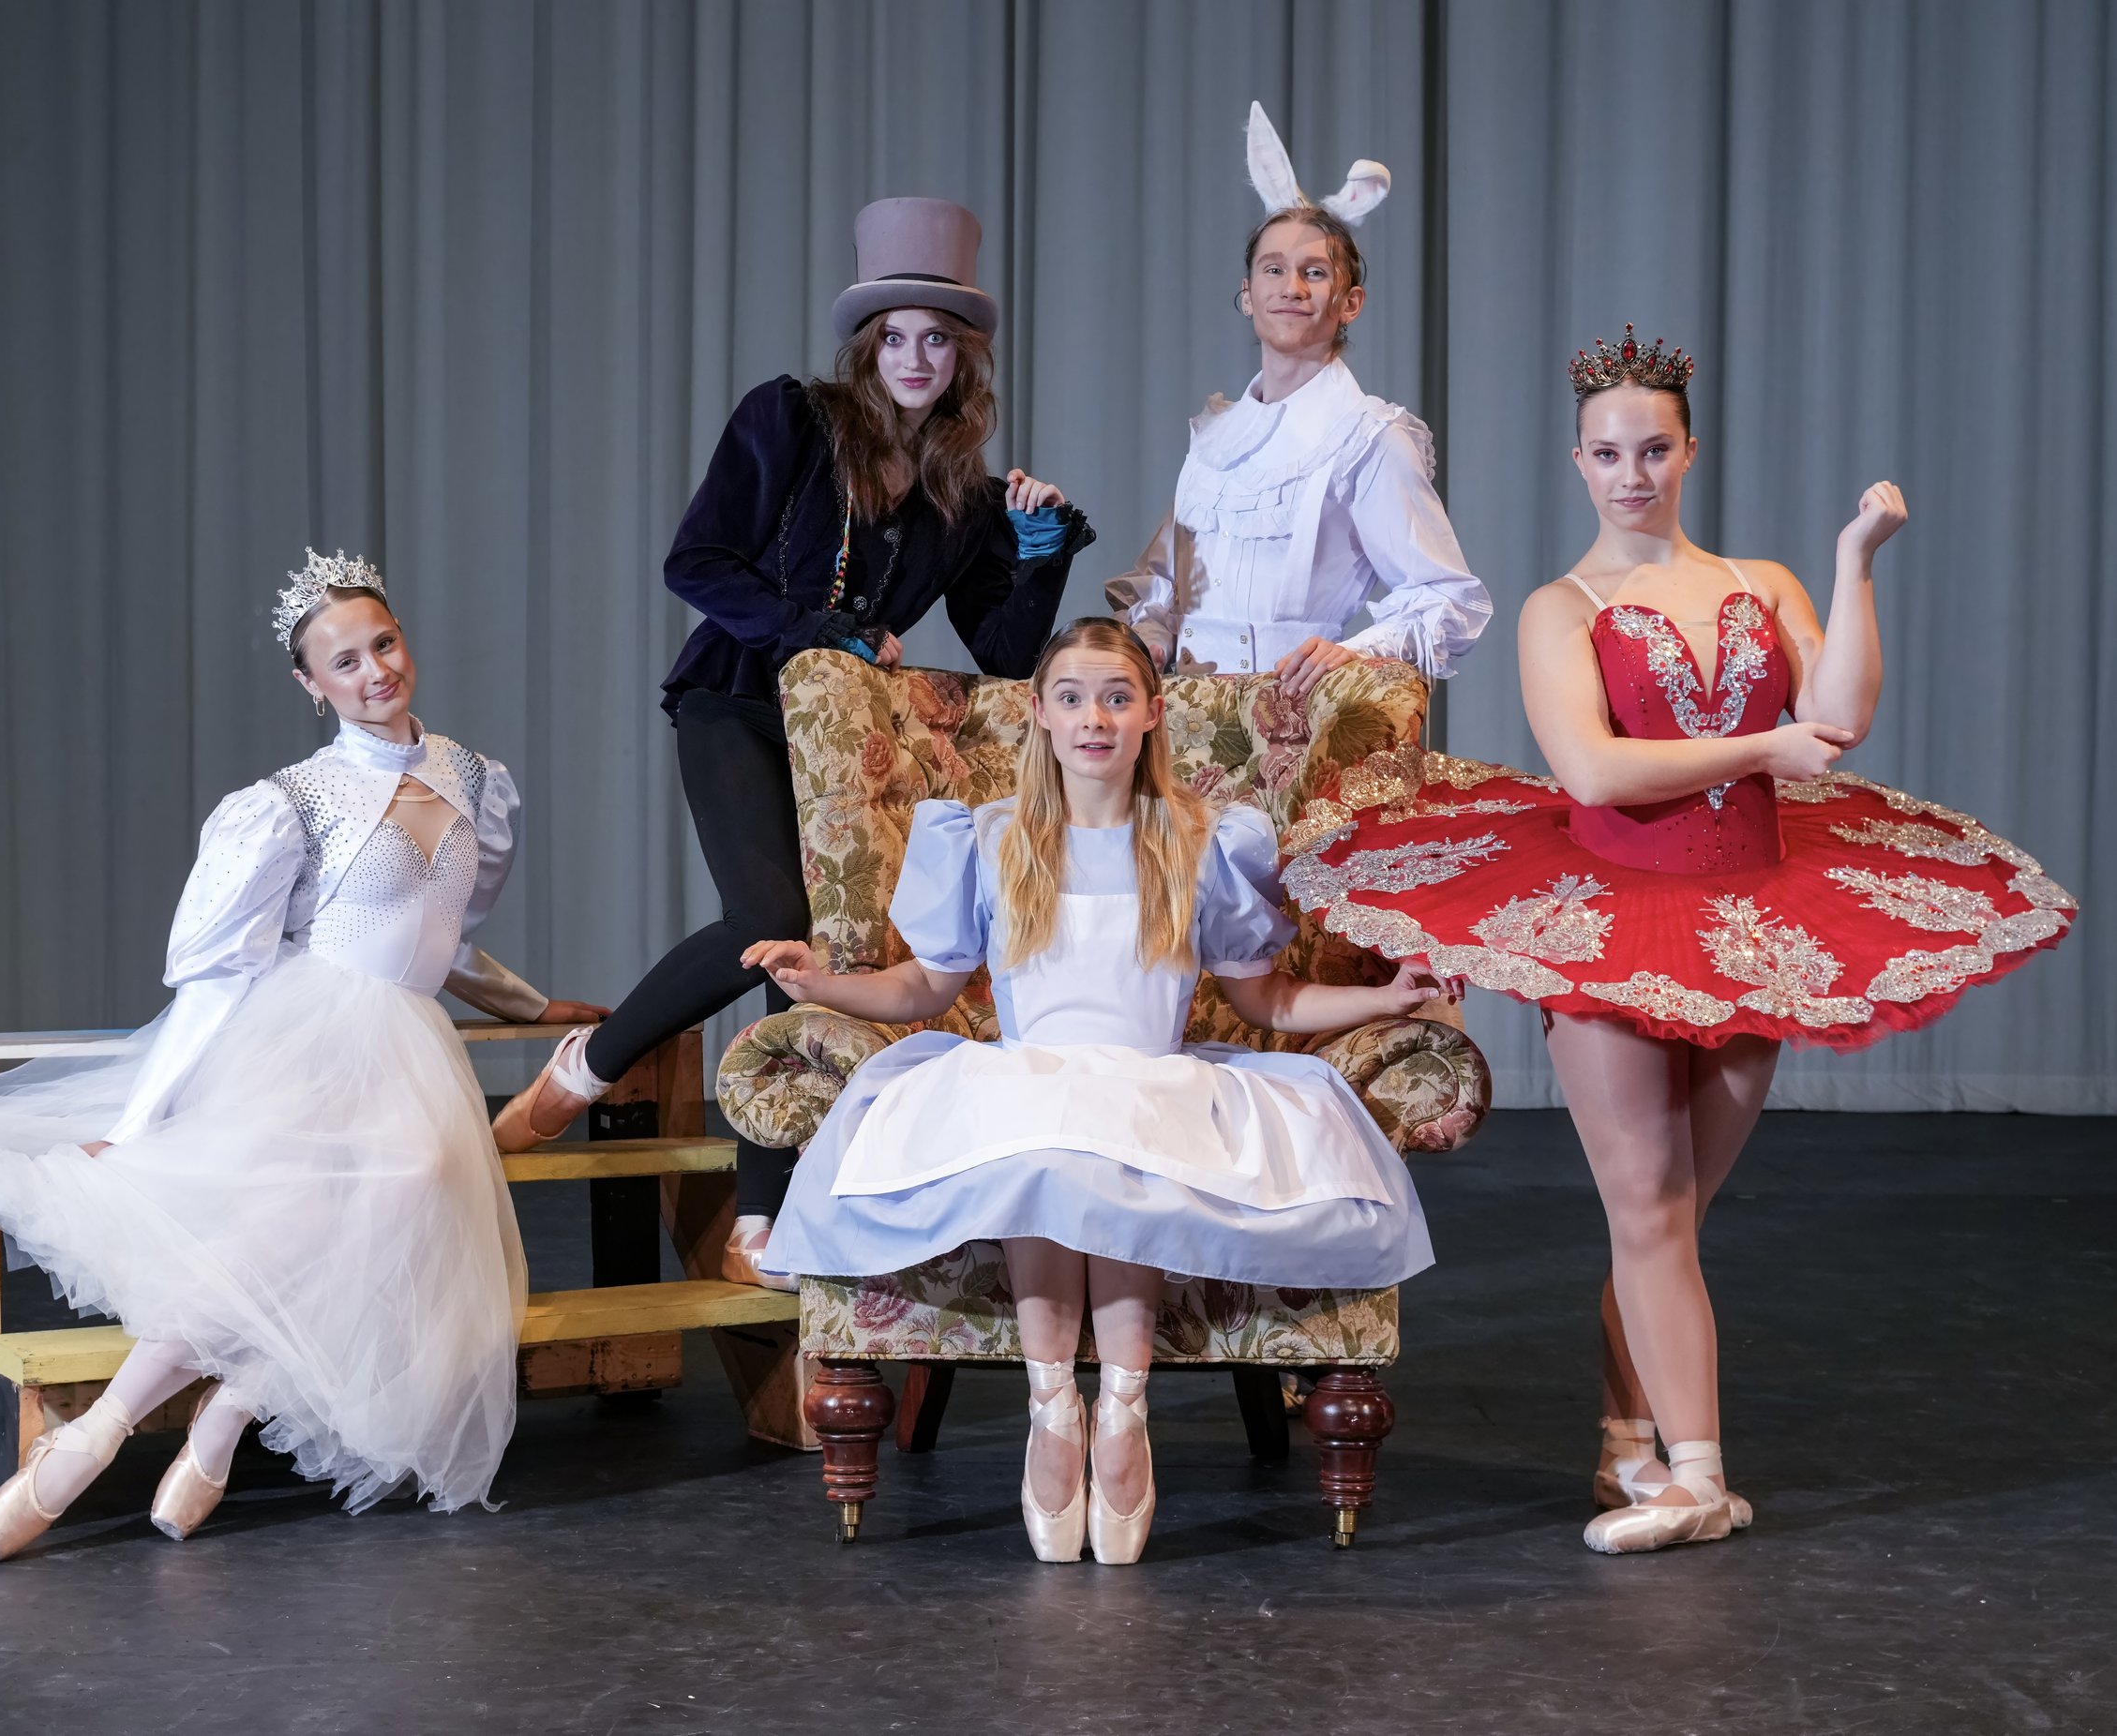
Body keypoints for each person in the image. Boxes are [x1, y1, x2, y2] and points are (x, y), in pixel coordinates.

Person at [1284, 328, 2076, 1554]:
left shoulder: (1764, 582)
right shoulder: (1563, 606)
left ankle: (1625, 1446)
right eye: (1609, 453)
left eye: (1653, 448)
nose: (1633, 473)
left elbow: (1840, 715)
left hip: (1758, 920)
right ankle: (1700, 1481)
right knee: (1648, 1208)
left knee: (1670, 1219)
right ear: (1579, 463)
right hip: (1609, 916)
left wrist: (1853, 562)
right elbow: (1595, 769)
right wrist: (1761, 750)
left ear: (1689, 450)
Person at [0, 550, 606, 1559]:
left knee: (398, 1200)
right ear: (311, 685)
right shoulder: (295, 800)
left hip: (407, 1050)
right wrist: (133, 1126)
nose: (374, 673)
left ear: (406, 637)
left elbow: (443, 934)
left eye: (383, 643)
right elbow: (217, 979)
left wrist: (527, 1001)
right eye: (343, 662)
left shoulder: (477, 782)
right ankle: (96, 1436)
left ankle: (222, 1420)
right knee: (287, 1233)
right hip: (310, 1038)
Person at [742, 618, 1448, 1564]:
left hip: (1151, 1077)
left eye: (1117, 696)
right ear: (1038, 713)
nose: (1094, 717)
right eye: (1071, 696)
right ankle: (1051, 1409)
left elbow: (1266, 995)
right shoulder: (988, 838)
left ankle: (1122, 1405)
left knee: (1114, 1142)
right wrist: (817, 982)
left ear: (1153, 715)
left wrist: (1382, 994)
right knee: (1051, 1138)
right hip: (1029, 1072)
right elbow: (921, 986)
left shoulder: (1199, 842)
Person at [490, 198, 1093, 1292]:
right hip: (737, 701)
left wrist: (1040, 545)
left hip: (849, 739)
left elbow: (1006, 649)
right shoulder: (791, 420)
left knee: (828, 939)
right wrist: (830, 628)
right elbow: (697, 563)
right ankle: (589, 1065)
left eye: (939, 337)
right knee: (772, 918)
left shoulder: (963, 494)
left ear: (965, 357)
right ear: (868, 347)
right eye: (897, 335)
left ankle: (764, 1208)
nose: (917, 356)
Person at [1109, 102, 1490, 696]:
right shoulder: (1217, 440)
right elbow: (1160, 585)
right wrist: (1153, 635)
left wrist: (1351, 653)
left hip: (1299, 720)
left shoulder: (1367, 438)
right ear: (1246, 294)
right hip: (1182, 724)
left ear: (1350, 302)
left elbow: (1449, 599)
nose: (1290, 288)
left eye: (1314, 273)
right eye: (1273, 269)